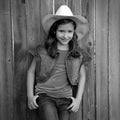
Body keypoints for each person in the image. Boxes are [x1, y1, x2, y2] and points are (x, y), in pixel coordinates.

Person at [27, 5, 91, 120]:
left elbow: (82, 76)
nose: (66, 36)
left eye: (69, 31)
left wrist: (78, 100)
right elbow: (31, 72)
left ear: (73, 32)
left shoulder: (77, 54)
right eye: (61, 31)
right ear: (54, 31)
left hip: (66, 99)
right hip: (45, 96)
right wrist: (30, 96)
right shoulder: (42, 51)